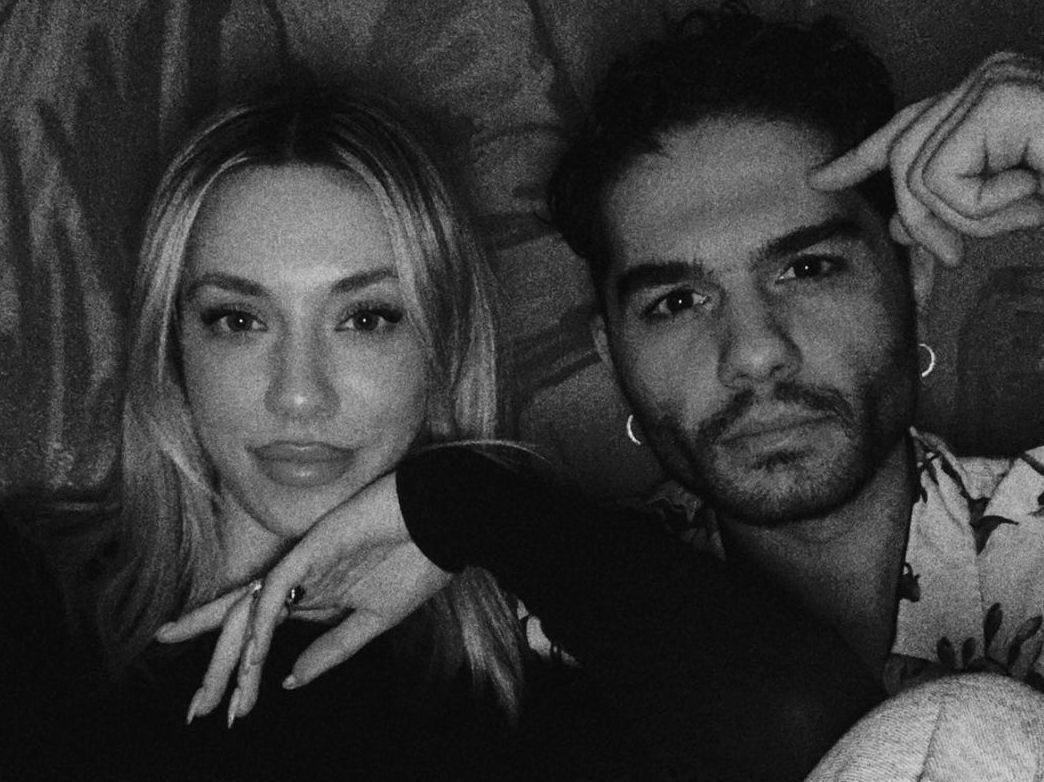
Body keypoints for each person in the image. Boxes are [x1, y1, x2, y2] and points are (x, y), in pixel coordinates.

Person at [156, 7, 1044, 778]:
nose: (753, 352)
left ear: (913, 277)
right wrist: (471, 508)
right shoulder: (540, 606)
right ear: (610, 350)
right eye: (677, 301)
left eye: (808, 269)